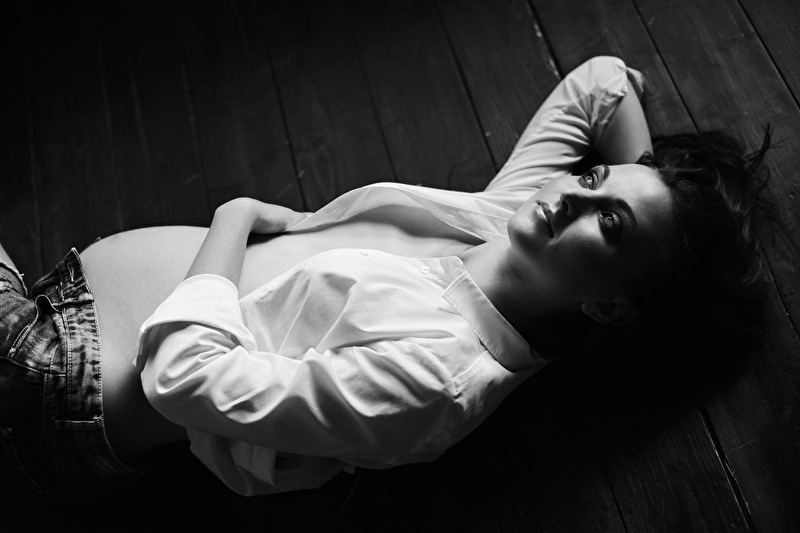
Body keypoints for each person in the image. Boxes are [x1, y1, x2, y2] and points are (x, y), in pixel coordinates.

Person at [0, 56, 768, 498]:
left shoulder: (436, 377)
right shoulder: (506, 219)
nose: (572, 193)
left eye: (609, 223)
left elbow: (180, 376)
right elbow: (602, 83)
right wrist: (651, 206)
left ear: (608, 304)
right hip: (57, 304)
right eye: (593, 177)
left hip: (51, 379)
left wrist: (232, 219)